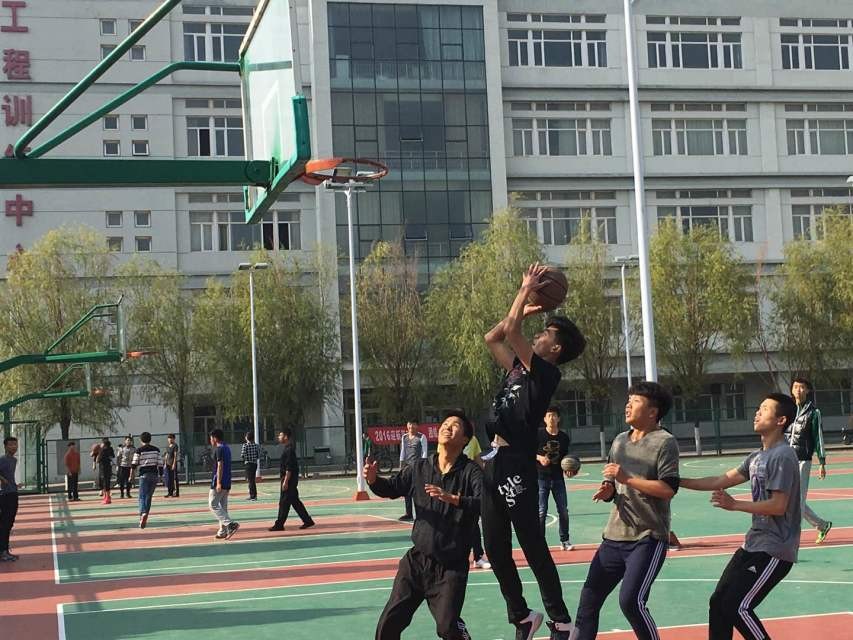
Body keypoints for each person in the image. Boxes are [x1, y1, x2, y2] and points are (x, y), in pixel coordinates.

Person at [482, 263, 586, 640]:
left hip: (516, 464)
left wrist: (525, 290)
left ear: (554, 348)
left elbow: (511, 332)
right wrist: (524, 310)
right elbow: (493, 337)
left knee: (532, 544)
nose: (538, 335)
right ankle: (523, 616)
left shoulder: (545, 374)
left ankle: (561, 620)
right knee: (494, 547)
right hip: (494, 461)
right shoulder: (518, 369)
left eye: (544, 333)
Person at [681, 393, 801, 640]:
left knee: (737, 607)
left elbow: (778, 506)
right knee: (718, 602)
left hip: (775, 549)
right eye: (758, 407)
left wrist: (735, 505)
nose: (757, 412)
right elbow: (720, 480)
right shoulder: (756, 457)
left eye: (764, 409)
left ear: (781, 420)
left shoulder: (782, 455)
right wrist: (677, 482)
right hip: (753, 544)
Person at [574, 381, 679, 640]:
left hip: (647, 538)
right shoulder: (620, 440)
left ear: (653, 412)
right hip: (613, 536)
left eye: (635, 401)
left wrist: (627, 479)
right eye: (628, 400)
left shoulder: (665, 442)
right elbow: (612, 479)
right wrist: (608, 489)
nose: (628, 405)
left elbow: (668, 489)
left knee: (631, 601)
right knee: (588, 600)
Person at [365, 411, 482, 640]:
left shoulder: (470, 472)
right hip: (416, 562)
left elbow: (484, 503)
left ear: (465, 439)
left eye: (455, 425)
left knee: (447, 627)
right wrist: (373, 480)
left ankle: (460, 632)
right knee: (388, 625)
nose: (448, 427)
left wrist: (454, 499)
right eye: (445, 423)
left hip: (451, 566)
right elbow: (392, 488)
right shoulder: (420, 468)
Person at [787, 377, 832, 544]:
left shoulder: (814, 412)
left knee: (798, 500)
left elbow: (818, 437)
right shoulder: (788, 410)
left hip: (802, 460)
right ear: (791, 390)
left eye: (802, 387)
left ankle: (792, 537)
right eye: (795, 387)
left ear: (807, 390)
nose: (798, 390)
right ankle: (822, 525)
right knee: (789, 499)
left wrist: (822, 462)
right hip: (785, 460)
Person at [537, 406, 573, 552]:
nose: (551, 418)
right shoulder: (538, 435)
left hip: (558, 478)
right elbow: (528, 452)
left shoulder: (564, 437)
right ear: (545, 419)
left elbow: (566, 459)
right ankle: (540, 543)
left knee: (563, 510)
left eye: (554, 415)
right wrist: (540, 458)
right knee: (541, 511)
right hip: (541, 478)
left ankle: (565, 540)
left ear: (558, 418)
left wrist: (569, 469)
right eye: (549, 415)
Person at [268, 427, 314, 531]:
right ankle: (307, 520)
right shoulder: (288, 449)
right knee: (295, 502)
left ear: (286, 437)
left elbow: (289, 468)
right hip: (290, 480)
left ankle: (279, 524)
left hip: (289, 481)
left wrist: (285, 482)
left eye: (280, 435)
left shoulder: (289, 450)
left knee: (284, 503)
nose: (279, 437)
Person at [464, 431, 490, 570]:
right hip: (452, 485)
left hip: (469, 484)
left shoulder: (472, 440)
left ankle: (478, 557)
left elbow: (477, 458)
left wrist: (486, 473)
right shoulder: (446, 439)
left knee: (473, 523)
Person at [209, 429, 239, 540]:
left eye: (211, 438)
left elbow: (220, 466)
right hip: (227, 481)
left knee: (212, 504)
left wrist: (218, 482)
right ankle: (222, 531)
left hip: (220, 481)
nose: (210, 441)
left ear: (215, 438)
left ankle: (230, 525)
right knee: (223, 507)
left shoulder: (219, 449)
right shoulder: (227, 448)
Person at [132, 431, 163, 529]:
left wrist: (131, 475)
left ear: (141, 440)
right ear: (150, 439)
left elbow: (134, 464)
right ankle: (146, 515)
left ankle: (143, 514)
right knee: (148, 497)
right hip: (154, 475)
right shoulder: (156, 450)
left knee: (142, 496)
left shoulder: (139, 450)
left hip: (144, 475)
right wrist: (161, 475)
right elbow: (160, 464)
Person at [399, 420, 428, 522]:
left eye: (413, 424)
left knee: (417, 491)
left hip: (417, 467)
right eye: (409, 424)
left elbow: (424, 453)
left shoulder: (422, 437)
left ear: (417, 426)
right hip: (407, 468)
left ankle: (420, 514)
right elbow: (403, 452)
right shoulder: (404, 437)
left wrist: (422, 467)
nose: (411, 426)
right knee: (406, 490)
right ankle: (409, 513)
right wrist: (401, 466)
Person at [0, 436, 22, 561]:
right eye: (11, 444)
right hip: (5, 495)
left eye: (15, 444)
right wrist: (2, 479)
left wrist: (15, 483)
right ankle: (3, 551)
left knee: (9, 523)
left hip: (13, 493)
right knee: (5, 523)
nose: (14, 447)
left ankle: (5, 549)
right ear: (5, 446)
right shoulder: (2, 460)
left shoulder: (14, 460)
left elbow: (11, 476)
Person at [241, 431, 260, 501]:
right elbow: (258, 455)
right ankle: (252, 495)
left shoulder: (245, 445)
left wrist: (246, 459)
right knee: (251, 480)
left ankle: (253, 496)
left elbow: (242, 455)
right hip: (254, 464)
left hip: (248, 464)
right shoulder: (256, 445)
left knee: (250, 480)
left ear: (247, 438)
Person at [96, 438, 115, 505]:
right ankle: (107, 498)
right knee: (107, 483)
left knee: (105, 484)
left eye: (102, 443)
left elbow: (97, 460)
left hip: (103, 469)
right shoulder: (110, 449)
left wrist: (98, 453)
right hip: (108, 468)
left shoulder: (102, 451)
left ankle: (107, 498)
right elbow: (112, 457)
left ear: (104, 444)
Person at [163, 433, 180, 498]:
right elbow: (166, 455)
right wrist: (165, 463)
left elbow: (175, 456)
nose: (170, 439)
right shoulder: (167, 446)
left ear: (174, 439)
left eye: (171, 438)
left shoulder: (175, 446)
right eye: (169, 438)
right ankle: (169, 492)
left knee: (174, 478)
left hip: (172, 464)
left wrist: (174, 464)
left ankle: (176, 492)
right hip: (167, 464)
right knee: (169, 479)